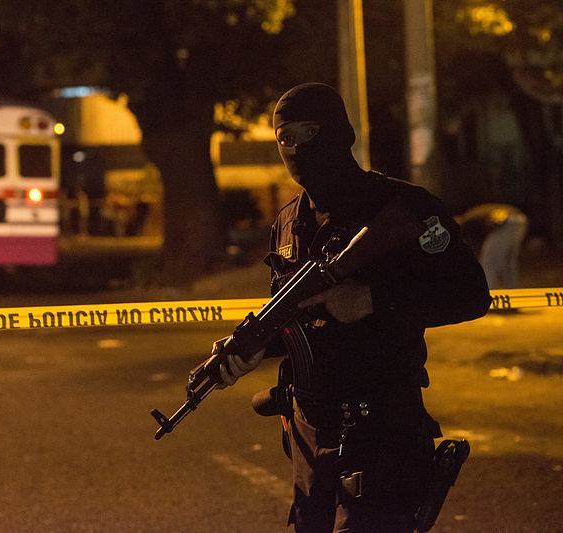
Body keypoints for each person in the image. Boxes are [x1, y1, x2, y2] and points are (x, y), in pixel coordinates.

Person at [215, 83, 492, 532]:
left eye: (310, 132)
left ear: (342, 134)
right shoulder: (289, 222)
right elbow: (296, 324)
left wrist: (372, 301)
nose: (298, 148)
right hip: (309, 436)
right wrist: (251, 351)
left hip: (382, 428)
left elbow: (470, 295)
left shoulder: (403, 208)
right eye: (286, 138)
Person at [457, 204, 528, 289]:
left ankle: (484, 292)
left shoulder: (467, 220)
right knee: (508, 260)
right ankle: (512, 291)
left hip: (504, 222)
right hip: (520, 220)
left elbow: (472, 243)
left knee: (489, 262)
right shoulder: (473, 215)